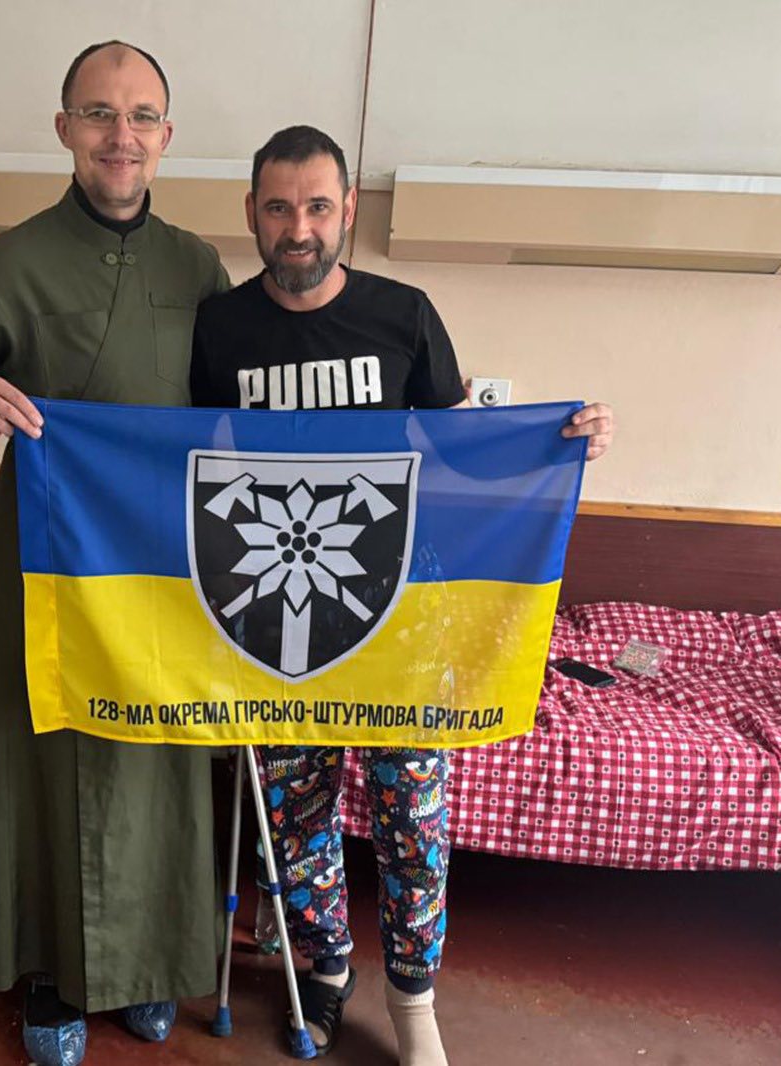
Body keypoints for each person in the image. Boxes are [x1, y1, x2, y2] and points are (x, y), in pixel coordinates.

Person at [190, 125, 615, 1065]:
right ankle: (325, 970)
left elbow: (462, 454)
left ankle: (414, 997)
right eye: (277, 208)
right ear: (251, 212)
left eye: (317, 206)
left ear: (347, 210)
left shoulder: (404, 315)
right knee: (295, 819)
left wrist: (558, 440)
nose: (298, 228)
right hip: (279, 613)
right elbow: (183, 462)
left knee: (412, 818)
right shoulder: (217, 328)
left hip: (398, 617)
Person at [0, 41, 231, 1066]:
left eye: (140, 116)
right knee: (45, 761)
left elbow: (242, 407)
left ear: (167, 136)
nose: (120, 136)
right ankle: (50, 974)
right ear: (64, 129)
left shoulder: (199, 267)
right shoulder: (4, 261)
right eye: (98, 114)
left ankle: (151, 963)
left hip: (161, 565)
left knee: (159, 759)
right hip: (43, 560)